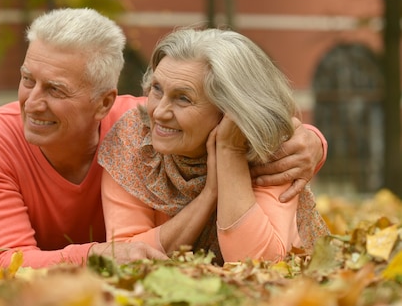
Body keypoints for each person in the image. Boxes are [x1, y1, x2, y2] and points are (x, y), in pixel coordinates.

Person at [0, 8, 327, 271]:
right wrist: (210, 195)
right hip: (33, 245)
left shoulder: (137, 122)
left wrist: (311, 142)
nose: (32, 102)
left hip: (107, 244)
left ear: (104, 102)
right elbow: (10, 262)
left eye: (56, 89)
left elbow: (256, 117)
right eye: (28, 80)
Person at [99, 27, 329, 265]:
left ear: (229, 110)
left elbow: (259, 263)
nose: (159, 111)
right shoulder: (133, 137)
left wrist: (230, 152)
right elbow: (126, 255)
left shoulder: (271, 148)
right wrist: (210, 194)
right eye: (157, 89)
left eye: (183, 98)